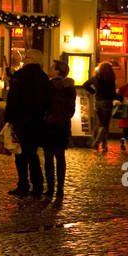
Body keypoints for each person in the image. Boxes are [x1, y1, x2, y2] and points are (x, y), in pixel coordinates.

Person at [4, 50, 50, 196]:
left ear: (31, 59)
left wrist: (9, 118)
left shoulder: (21, 75)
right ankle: (37, 185)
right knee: (33, 154)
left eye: (27, 57)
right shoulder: (43, 77)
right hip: (37, 121)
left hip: (21, 120)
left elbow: (13, 98)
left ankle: (23, 184)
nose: (24, 59)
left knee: (20, 154)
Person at [44, 59, 76, 198]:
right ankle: (60, 188)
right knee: (60, 157)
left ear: (58, 71)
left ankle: (50, 187)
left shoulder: (49, 86)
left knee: (49, 157)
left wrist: (48, 116)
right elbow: (71, 109)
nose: (49, 69)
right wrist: (64, 117)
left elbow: (44, 104)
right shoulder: (70, 87)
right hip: (63, 125)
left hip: (49, 125)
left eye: (52, 67)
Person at [83, 62, 118, 153]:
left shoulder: (96, 78)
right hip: (107, 103)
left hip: (97, 102)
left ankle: (104, 146)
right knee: (104, 124)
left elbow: (85, 84)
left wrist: (93, 91)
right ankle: (97, 142)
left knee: (102, 124)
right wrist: (121, 98)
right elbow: (113, 94)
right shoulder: (110, 79)